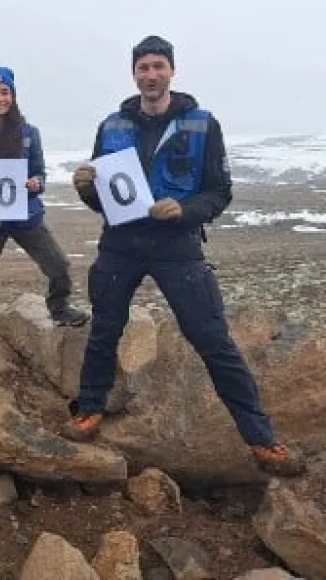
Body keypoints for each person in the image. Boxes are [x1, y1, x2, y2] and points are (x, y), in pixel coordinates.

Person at [66, 36, 305, 475]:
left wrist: (185, 211)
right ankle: (90, 408)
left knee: (213, 339)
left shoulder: (202, 124)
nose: (151, 75)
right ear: (134, 74)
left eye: (158, 66)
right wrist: (86, 190)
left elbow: (219, 191)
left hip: (177, 246)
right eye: (143, 67)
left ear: (172, 71)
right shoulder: (111, 125)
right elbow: (107, 197)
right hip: (121, 244)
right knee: (104, 331)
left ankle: (261, 438)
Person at [0, 66, 89, 369]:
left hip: (24, 215)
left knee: (58, 265)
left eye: (5, 92)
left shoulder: (30, 133)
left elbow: (40, 174)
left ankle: (59, 308)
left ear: (13, 96)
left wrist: (35, 184)